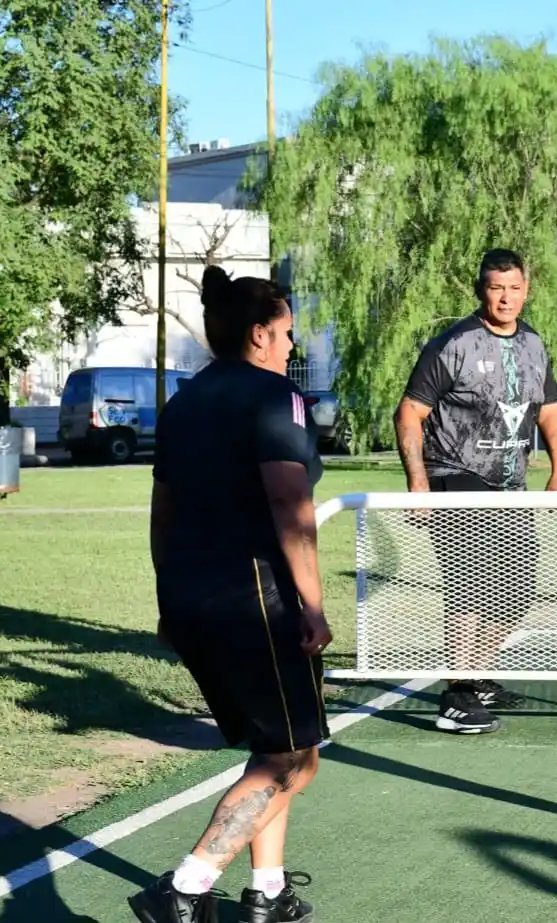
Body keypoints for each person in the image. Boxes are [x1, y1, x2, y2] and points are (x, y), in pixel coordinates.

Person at [133, 266, 332, 923]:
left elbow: (162, 512)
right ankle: (185, 888)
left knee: (281, 747)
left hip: (193, 594)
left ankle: (265, 893)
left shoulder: (182, 402)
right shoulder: (277, 398)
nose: (290, 348)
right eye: (284, 334)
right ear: (256, 334)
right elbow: (287, 499)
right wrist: (311, 602)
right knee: (289, 757)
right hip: (255, 596)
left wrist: (168, 600)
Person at [393, 247, 557, 735]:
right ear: (481, 290)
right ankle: (457, 694)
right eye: (496, 288)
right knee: (470, 589)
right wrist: (419, 484)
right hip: (457, 476)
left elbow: (550, 411)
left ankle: (479, 674)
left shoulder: (534, 344)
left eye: (514, 288)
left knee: (515, 592)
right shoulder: (454, 344)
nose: (506, 297)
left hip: (512, 483)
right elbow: (410, 412)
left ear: (526, 290)